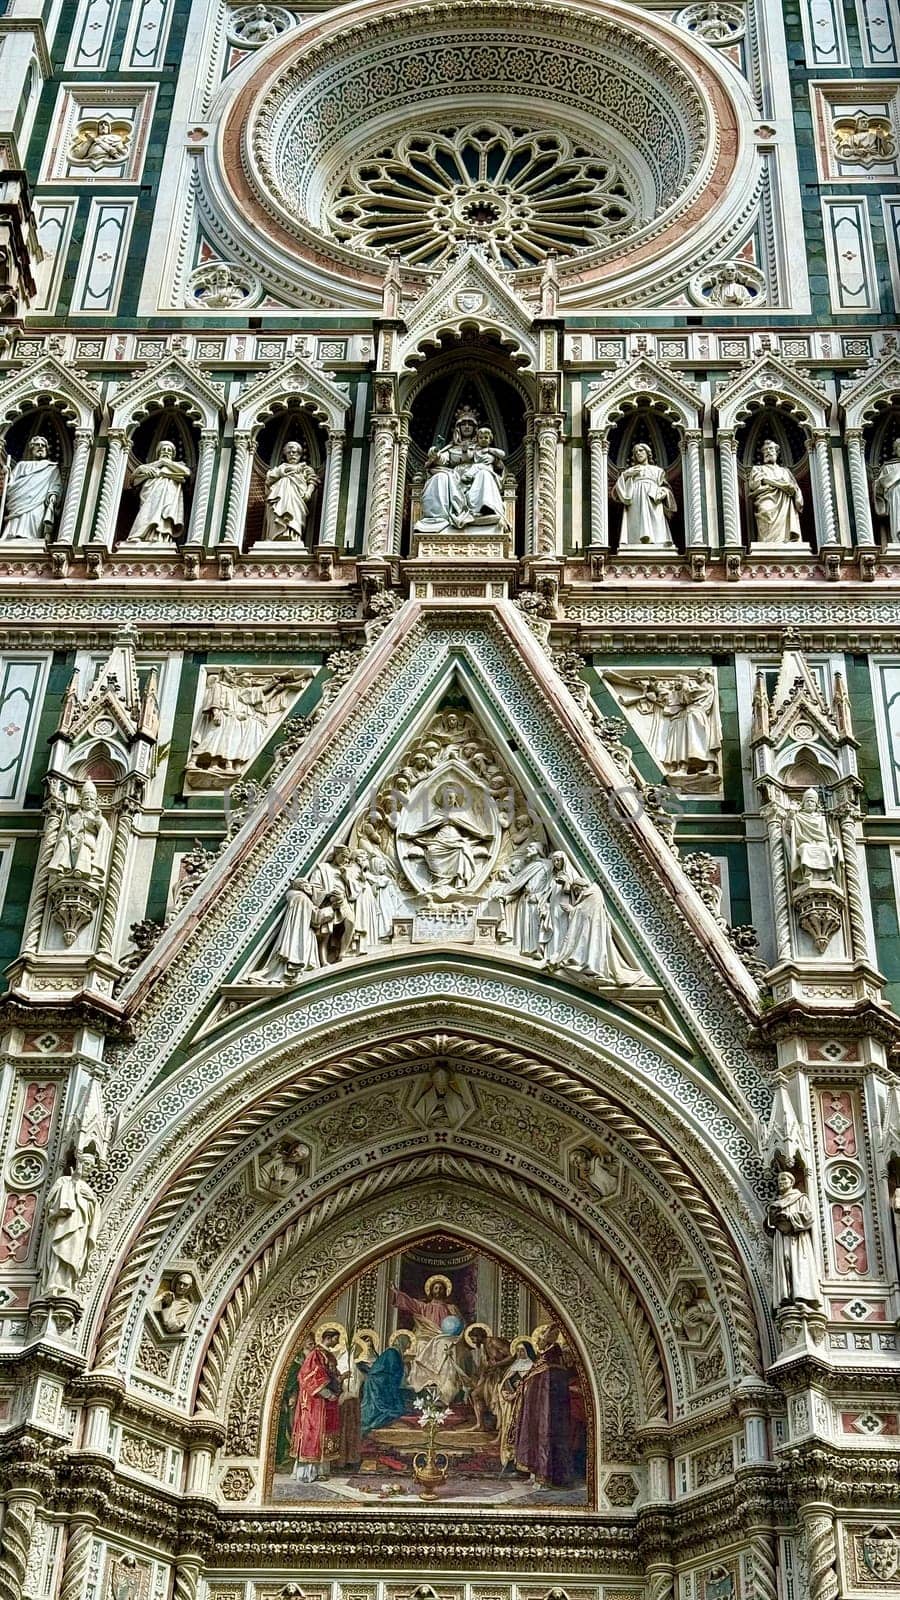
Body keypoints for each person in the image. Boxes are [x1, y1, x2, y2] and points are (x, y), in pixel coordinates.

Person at [550, 878, 643, 986]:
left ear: (583, 886)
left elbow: (583, 911)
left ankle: (593, 967)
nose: (576, 893)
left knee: (592, 947)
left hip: (593, 931)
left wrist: (571, 906)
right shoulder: (590, 894)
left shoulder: (592, 894)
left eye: (576, 889)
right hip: (589, 930)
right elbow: (582, 911)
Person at [514, 1327, 575, 1488]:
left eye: (540, 1339)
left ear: (548, 1340)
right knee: (536, 1435)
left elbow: (547, 1388)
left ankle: (544, 1477)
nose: (537, 1342)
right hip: (536, 1411)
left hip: (548, 1412)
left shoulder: (552, 1361)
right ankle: (535, 1474)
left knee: (545, 1435)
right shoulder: (543, 1361)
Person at [392, 1274, 465, 1404]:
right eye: (436, 1288)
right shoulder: (424, 1307)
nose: (438, 1290)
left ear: (446, 1291)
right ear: (431, 1291)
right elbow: (410, 1302)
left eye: (441, 1288)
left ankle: (445, 1388)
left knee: (446, 1346)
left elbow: (460, 1325)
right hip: (426, 1337)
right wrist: (396, 1293)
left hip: (445, 1337)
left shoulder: (451, 1308)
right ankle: (424, 1385)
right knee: (421, 1344)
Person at [40, 1149, 99, 1298]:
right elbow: (49, 1203)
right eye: (86, 1163)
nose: (88, 1168)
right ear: (79, 1163)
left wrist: (92, 1201)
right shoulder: (63, 1181)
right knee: (61, 1248)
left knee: (74, 1254)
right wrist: (72, 1185)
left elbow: (93, 1212)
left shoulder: (89, 1190)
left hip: (80, 1227)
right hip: (64, 1223)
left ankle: (67, 1284)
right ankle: (54, 1282)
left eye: (91, 1166)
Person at [290, 1325, 344, 1481]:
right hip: (316, 1401)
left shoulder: (327, 1355)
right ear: (329, 1337)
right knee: (313, 1433)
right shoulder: (316, 1354)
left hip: (328, 1402)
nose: (337, 1341)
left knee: (325, 1434)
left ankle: (321, 1471)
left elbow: (333, 1375)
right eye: (336, 1338)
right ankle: (308, 1473)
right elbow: (308, 1376)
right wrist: (327, 1393)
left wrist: (339, 1381)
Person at [765, 1170, 821, 1307]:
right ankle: (786, 1295)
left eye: (784, 1180)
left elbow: (809, 1216)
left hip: (797, 1239)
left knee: (797, 1263)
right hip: (781, 1238)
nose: (781, 1183)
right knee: (785, 1262)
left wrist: (790, 1217)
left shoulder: (800, 1198)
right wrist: (771, 1219)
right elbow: (769, 1227)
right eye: (779, 1181)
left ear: (791, 1182)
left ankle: (800, 1295)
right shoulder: (777, 1202)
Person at [124, 441, 191, 544]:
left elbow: (187, 472)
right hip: (150, 494)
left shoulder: (177, 466)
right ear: (158, 452)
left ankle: (161, 539)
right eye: (163, 449)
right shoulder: (149, 467)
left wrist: (165, 463)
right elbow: (133, 480)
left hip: (169, 496)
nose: (166, 452)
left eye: (169, 450)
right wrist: (140, 468)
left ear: (173, 454)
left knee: (163, 515)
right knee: (147, 512)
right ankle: (139, 535)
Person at [48, 778, 112, 883]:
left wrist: (98, 818)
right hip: (74, 838)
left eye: (91, 800)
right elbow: (69, 830)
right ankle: (62, 868)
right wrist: (67, 830)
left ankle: (81, 870)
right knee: (64, 841)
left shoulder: (96, 815)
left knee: (84, 843)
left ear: (95, 803)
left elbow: (104, 830)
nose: (89, 802)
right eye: (86, 799)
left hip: (88, 839)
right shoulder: (74, 816)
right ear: (81, 802)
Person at [613, 443, 676, 548]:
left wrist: (663, 492)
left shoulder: (658, 471)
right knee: (636, 522)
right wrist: (625, 475)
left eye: (641, 450)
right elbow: (616, 493)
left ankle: (658, 541)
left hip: (653, 499)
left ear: (648, 453)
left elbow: (667, 488)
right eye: (636, 452)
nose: (638, 453)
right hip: (635, 499)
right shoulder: (630, 471)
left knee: (656, 521)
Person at [1, 436, 63, 542]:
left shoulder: (51, 468)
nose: (40, 447)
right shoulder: (21, 465)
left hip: (37, 503)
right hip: (19, 503)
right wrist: (6, 474)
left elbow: (55, 484)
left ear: (47, 450)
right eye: (37, 445)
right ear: (31, 449)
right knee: (15, 523)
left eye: (43, 446)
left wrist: (53, 495)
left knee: (34, 519)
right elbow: (10, 485)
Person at [747, 439, 802, 543]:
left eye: (771, 449)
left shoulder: (785, 471)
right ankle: (767, 542)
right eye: (765, 450)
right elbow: (754, 485)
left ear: (776, 452)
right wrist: (780, 484)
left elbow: (794, 488)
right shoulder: (758, 469)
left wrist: (791, 489)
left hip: (785, 503)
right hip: (767, 498)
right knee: (766, 510)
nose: (768, 451)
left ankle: (786, 540)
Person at [263, 442, 319, 544]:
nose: (292, 454)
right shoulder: (281, 467)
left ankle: (293, 536)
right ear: (285, 454)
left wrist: (308, 493)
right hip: (280, 496)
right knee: (277, 511)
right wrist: (281, 473)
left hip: (296, 497)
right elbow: (268, 480)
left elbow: (313, 480)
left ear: (300, 454)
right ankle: (276, 534)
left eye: (295, 452)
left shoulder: (305, 468)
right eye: (289, 452)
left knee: (294, 516)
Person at [360, 1329, 415, 1433]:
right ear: (402, 1342)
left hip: (381, 1383)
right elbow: (393, 1373)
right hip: (378, 1384)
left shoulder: (395, 1353)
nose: (408, 1347)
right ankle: (370, 1426)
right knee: (384, 1409)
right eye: (408, 1343)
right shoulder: (392, 1353)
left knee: (397, 1407)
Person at [786, 789, 840, 890]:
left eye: (812, 801)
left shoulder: (822, 819)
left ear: (816, 805)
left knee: (825, 849)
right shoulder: (799, 817)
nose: (810, 803)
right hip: (806, 843)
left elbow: (830, 835)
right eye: (807, 801)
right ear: (803, 803)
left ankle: (828, 875)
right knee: (805, 849)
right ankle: (808, 874)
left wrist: (834, 844)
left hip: (821, 843)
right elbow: (787, 829)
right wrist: (792, 812)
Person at [874, 439, 900, 543]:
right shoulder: (889, 466)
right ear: (895, 450)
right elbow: (880, 486)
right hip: (896, 496)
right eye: (899, 447)